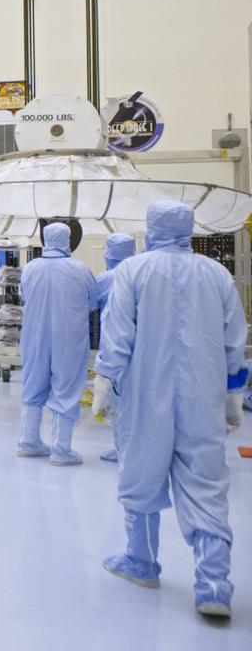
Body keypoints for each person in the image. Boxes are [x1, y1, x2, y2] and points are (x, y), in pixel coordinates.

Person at [93, 200, 247, 618]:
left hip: (145, 395)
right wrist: (233, 394)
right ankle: (213, 584)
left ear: (151, 228)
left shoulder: (133, 271)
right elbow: (234, 338)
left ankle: (141, 561)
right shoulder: (216, 274)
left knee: (141, 472)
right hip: (203, 398)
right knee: (206, 482)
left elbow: (117, 335)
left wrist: (104, 380)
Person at [16, 222, 98, 465]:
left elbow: (23, 296)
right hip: (68, 337)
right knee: (66, 386)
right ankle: (61, 450)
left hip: (34, 336)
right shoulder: (80, 270)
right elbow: (92, 302)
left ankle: (28, 442)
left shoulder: (30, 269)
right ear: (68, 240)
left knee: (33, 383)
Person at [93, 233, 137, 463]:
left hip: (114, 345)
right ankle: (129, 448)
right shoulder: (141, 273)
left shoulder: (105, 279)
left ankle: (123, 450)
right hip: (142, 347)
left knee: (120, 400)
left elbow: (89, 302)